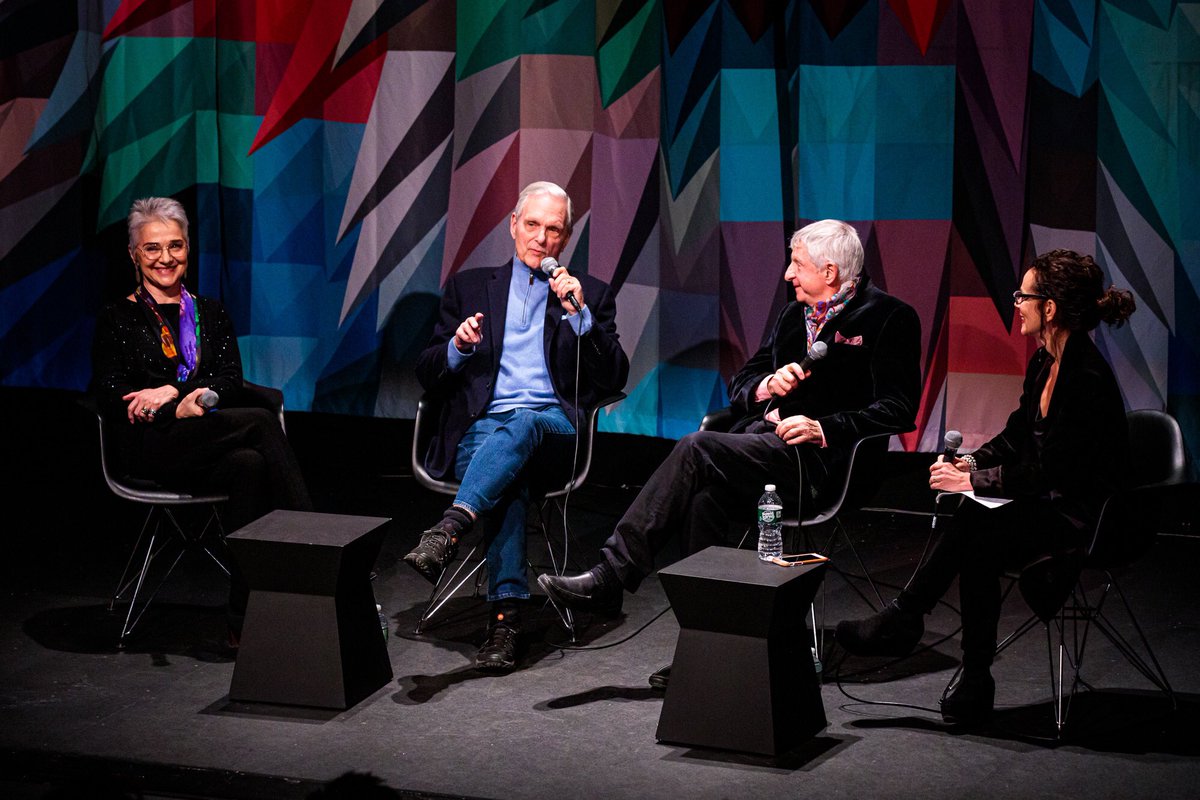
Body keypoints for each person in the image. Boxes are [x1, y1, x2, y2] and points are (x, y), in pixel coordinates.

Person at [539, 219, 922, 687]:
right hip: (762, 449)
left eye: (796, 265)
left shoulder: (889, 317)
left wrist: (824, 426)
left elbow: (899, 409)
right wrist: (764, 386)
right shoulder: (791, 316)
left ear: (830, 270)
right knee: (704, 500)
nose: (787, 275)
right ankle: (709, 653)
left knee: (697, 449)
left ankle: (611, 575)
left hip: (824, 464)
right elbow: (741, 383)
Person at [835, 249, 1137, 725]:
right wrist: (969, 462)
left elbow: (1049, 471)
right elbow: (1018, 436)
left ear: (1050, 307)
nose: (1016, 303)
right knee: (980, 537)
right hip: (1047, 506)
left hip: (1086, 519)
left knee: (978, 518)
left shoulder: (1085, 377)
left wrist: (969, 481)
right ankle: (969, 676)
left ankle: (912, 621)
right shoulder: (1044, 362)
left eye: (1024, 295)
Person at [407, 181, 629, 672]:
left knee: (526, 423)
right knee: (509, 477)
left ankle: (450, 527)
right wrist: (458, 348)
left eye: (553, 230)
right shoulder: (469, 287)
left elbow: (615, 377)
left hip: (555, 432)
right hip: (482, 430)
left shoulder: (588, 294)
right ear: (513, 226)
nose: (540, 239)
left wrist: (583, 319)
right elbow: (426, 373)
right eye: (531, 225)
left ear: (566, 238)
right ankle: (505, 619)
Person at [90, 197, 312, 642]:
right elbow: (112, 396)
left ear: (188, 249)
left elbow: (229, 378)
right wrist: (176, 410)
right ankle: (317, 547)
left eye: (175, 246)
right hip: (151, 447)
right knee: (261, 422)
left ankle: (241, 619)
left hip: (205, 439)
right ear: (134, 255)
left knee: (249, 464)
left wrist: (176, 392)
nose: (166, 258)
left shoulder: (210, 312)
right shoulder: (117, 318)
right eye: (153, 249)